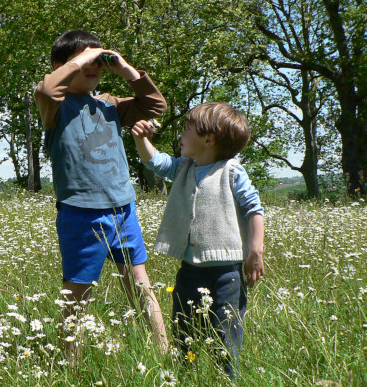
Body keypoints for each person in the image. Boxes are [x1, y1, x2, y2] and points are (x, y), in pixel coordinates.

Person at [34, 30, 169, 362]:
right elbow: (46, 88)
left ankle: (164, 354)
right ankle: (70, 362)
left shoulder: (109, 104)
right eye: (85, 60)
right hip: (81, 212)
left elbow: (156, 105)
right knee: (78, 293)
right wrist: (83, 57)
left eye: (99, 60)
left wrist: (125, 70)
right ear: (60, 66)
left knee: (140, 284)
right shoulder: (55, 106)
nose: (94, 65)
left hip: (123, 209)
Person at [131, 102, 265, 378]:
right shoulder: (183, 167)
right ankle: (184, 378)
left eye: (187, 129)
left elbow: (254, 209)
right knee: (184, 335)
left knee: (225, 339)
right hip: (189, 273)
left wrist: (255, 251)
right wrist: (141, 139)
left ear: (209, 140)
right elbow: (155, 161)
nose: (181, 134)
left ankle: (226, 381)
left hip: (227, 275)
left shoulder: (231, 171)